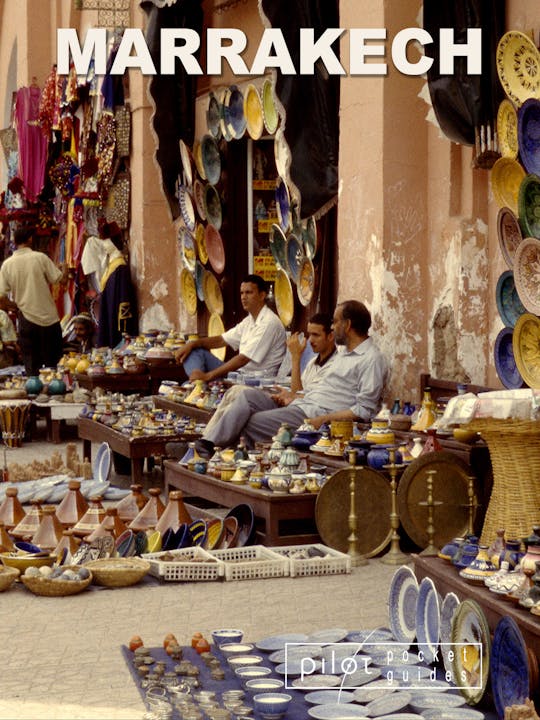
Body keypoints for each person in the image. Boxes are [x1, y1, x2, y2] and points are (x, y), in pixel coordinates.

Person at [196, 301, 389, 455]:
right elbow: (319, 390)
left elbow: (364, 410)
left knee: (251, 421)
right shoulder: (343, 354)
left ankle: (222, 457)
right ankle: (208, 443)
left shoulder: (371, 359)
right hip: (302, 405)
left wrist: (322, 419)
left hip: (315, 415)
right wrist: (294, 397)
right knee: (246, 396)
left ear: (347, 326)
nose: (333, 326)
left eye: (336, 322)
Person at [175, 274, 286, 382]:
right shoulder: (249, 321)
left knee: (188, 386)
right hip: (239, 375)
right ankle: (196, 382)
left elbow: (243, 359)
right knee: (195, 351)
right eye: (242, 293)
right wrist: (192, 344)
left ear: (262, 295)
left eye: (249, 292)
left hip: (256, 381)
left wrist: (209, 376)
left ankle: (197, 385)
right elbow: (222, 340)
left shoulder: (269, 322)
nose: (243, 297)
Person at [0, 226, 67, 375]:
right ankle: (55, 393)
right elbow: (59, 279)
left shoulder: (7, 265)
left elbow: (1, 297)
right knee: (54, 364)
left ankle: (33, 394)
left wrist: (15, 307)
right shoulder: (40, 258)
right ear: (30, 239)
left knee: (31, 365)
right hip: (48, 318)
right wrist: (65, 269)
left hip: (26, 318)